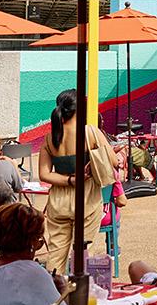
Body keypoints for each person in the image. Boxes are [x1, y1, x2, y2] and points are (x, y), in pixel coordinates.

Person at [37, 88, 116, 274]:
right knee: (82, 252)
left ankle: (53, 293)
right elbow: (112, 161)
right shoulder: (90, 132)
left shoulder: (50, 138)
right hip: (86, 198)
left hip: (57, 201)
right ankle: (79, 294)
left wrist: (70, 180)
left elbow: (44, 174)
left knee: (55, 255)